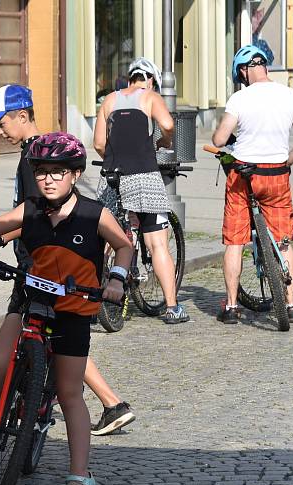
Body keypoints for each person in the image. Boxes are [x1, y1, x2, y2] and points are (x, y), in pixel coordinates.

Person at [0, 133, 132, 485]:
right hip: (30, 301)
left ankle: (80, 475)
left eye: (58, 173)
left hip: (73, 310)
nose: (49, 179)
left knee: (70, 392)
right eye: (42, 172)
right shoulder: (30, 210)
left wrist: (118, 280)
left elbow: (124, 245)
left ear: (75, 174)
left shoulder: (94, 213)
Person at [211, 45, 293, 324]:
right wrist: (287, 162)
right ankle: (291, 304)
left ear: (244, 70)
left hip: (243, 176)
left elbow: (220, 140)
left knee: (234, 242)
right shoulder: (291, 96)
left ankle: (231, 307)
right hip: (277, 175)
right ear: (264, 65)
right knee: (282, 241)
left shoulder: (240, 99)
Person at [94, 57, 189, 325]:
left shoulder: (109, 101)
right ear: (151, 80)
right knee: (157, 242)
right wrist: (162, 142)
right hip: (144, 176)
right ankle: (172, 308)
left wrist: (116, 154)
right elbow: (169, 125)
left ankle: (94, 300)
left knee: (107, 236)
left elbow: (99, 143)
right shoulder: (150, 97)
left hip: (113, 177)